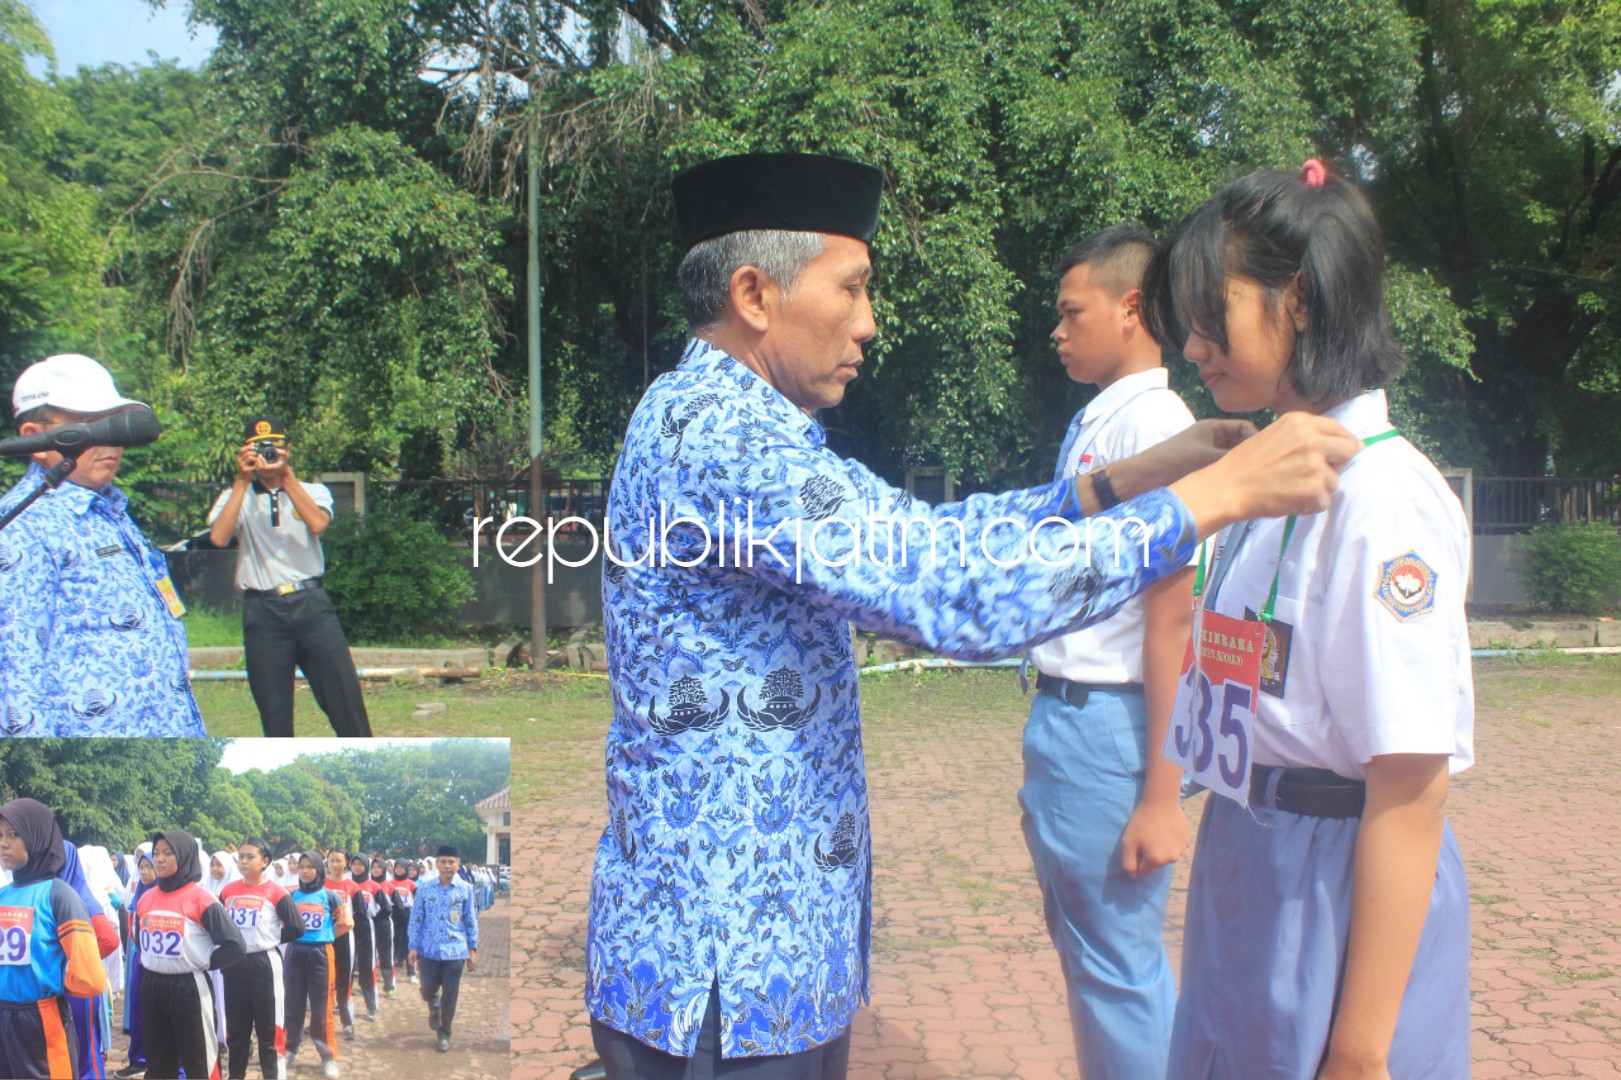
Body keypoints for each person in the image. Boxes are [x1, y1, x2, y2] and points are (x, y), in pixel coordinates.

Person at [585, 151, 1360, 1076]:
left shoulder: (727, 421)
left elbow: (928, 536)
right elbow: (948, 592)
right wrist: (1209, 499)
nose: (868, 324)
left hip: (752, 948)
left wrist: (1123, 482)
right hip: (723, 966)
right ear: (755, 294)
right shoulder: (721, 438)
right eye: (853, 288)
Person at [1140, 160, 1473, 1078]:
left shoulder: (1382, 501)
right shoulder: (1272, 476)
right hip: (1249, 855)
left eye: (1213, 315)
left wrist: (1360, 1053)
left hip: (1338, 878)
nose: (1194, 345)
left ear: (1297, 300)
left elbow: (1409, 786)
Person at [1019, 225, 1196, 1079]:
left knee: (1114, 968)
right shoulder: (1107, 418)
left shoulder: (1156, 423)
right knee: (1099, 960)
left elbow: (1172, 619)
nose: (1056, 330)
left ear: (1131, 309)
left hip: (1110, 725)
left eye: (1070, 311)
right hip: (1069, 719)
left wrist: (1163, 793)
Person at [0, 354, 204, 737]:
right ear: (34, 439)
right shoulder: (22, 529)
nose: (110, 438)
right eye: (89, 426)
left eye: (113, 424)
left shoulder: (110, 509)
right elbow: (16, 681)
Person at [206, 415, 372, 738]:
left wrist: (286, 477)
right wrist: (241, 481)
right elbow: (219, 538)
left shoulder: (313, 490)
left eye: (274, 448)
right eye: (258, 449)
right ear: (244, 452)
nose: (267, 455)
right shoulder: (235, 497)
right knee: (274, 711)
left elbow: (318, 524)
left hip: (311, 603)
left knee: (345, 698)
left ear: (288, 449)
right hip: (263, 609)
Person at [0, 798, 108, 1080]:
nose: (4, 843)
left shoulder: (58, 895)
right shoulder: (3, 895)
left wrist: (48, 984)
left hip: (41, 1019)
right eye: (0, 835)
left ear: (36, 836)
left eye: (13, 834)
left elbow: (91, 977)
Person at [135, 828, 247, 1080]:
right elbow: (139, 937)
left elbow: (235, 945)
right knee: (158, 1064)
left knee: (200, 1065)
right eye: (156, 853)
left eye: (167, 853)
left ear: (184, 856)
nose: (159, 859)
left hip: (189, 989)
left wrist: (203, 961)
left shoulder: (201, 899)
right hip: (152, 986)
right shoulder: (146, 898)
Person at [219, 839, 304, 1080]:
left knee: (270, 1033)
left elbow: (297, 927)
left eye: (250, 857)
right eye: (241, 856)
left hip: (264, 966)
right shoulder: (228, 891)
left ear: (265, 861)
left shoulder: (276, 892)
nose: (243, 861)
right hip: (234, 966)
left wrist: (271, 937)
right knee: (236, 1033)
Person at [284, 851, 349, 1080]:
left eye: (309, 866)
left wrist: (326, 935)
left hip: (320, 953)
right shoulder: (291, 896)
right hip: (294, 952)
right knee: (292, 1003)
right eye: (301, 866)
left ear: (319, 870)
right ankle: (291, 1048)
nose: (304, 870)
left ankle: (328, 1056)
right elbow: (285, 922)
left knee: (322, 1009)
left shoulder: (329, 896)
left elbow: (346, 923)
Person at [407, 847, 478, 1054]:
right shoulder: (425, 889)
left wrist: (473, 949)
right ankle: (433, 1006)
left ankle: (445, 1032)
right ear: (436, 864)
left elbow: (470, 920)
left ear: (458, 864)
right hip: (429, 950)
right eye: (443, 862)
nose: (447, 866)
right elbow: (416, 919)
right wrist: (413, 946)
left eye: (452, 862)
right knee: (428, 989)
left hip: (455, 950)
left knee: (451, 994)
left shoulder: (465, 889)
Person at [114, 848, 155, 1079]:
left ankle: (161, 1062)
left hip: (158, 963)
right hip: (139, 958)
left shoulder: (161, 893)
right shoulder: (138, 893)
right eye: (142, 867)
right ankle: (138, 1059)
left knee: (158, 1013)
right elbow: (132, 924)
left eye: (149, 867)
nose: (145, 872)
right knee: (138, 1009)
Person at [322, 850, 359, 1040]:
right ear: (327, 863)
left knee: (344, 981)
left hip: (345, 938)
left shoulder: (352, 886)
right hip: (325, 939)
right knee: (323, 982)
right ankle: (322, 1023)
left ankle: (347, 1022)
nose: (335, 864)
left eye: (339, 861)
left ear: (346, 863)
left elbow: (358, 917)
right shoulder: (321, 886)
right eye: (331, 861)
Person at [344, 855, 380, 1023]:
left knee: (367, 968)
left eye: (360, 864)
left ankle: (371, 1006)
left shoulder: (373, 886)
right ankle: (344, 1005)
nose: (357, 867)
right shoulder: (346, 884)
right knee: (346, 970)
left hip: (366, 930)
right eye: (354, 864)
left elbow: (385, 909)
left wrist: (372, 920)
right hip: (347, 930)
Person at [386, 859, 416, 985]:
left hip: (407, 914)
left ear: (406, 869)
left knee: (408, 941)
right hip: (393, 913)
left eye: (401, 867)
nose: (398, 870)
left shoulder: (411, 883)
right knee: (392, 941)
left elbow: (418, 898)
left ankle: (411, 972)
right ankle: (389, 972)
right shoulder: (390, 883)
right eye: (396, 867)